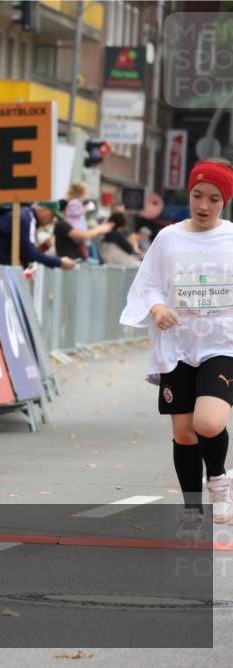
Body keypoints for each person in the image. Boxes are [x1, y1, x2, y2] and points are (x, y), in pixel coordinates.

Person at [120, 158, 233, 539]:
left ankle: (218, 479)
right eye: (197, 195)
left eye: (214, 199)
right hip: (179, 346)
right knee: (184, 433)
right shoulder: (168, 237)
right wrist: (156, 308)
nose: (203, 205)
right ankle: (191, 510)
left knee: (208, 422)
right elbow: (148, 282)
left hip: (222, 344)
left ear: (225, 201)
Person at [0, 203, 77, 270]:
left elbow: (24, 251)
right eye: (52, 216)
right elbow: (30, 253)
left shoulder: (26, 216)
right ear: (43, 209)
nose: (50, 221)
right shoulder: (26, 218)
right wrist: (58, 261)